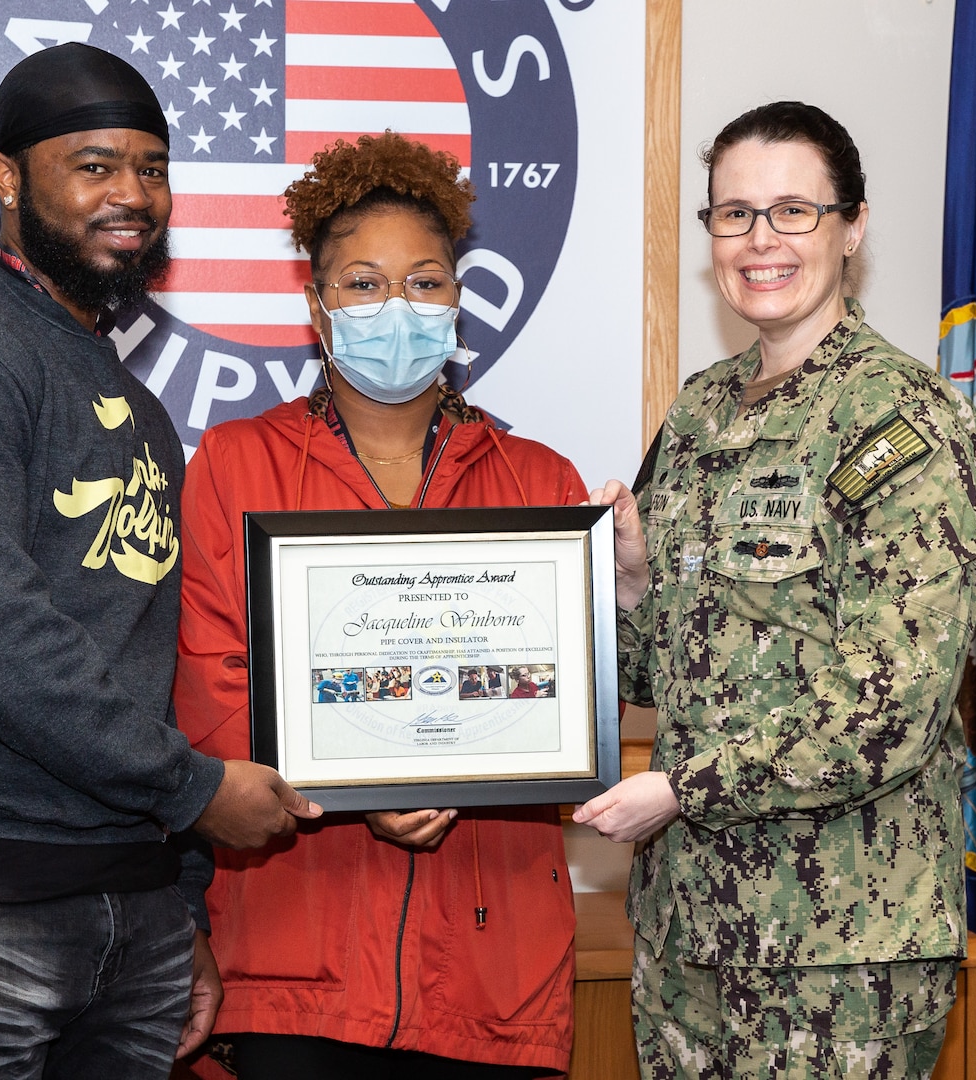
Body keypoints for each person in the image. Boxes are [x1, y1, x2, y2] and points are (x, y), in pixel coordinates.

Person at [0, 43, 319, 1080]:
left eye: (151, 167)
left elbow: (144, 658)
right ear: (7, 177)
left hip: (128, 914)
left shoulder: (131, 399)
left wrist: (180, 907)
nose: (132, 195)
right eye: (94, 165)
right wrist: (195, 791)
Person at [173, 132, 613, 1079]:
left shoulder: (540, 482)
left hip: (495, 969)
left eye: (425, 283)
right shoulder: (236, 465)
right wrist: (357, 788)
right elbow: (209, 689)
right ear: (316, 306)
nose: (397, 308)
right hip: (298, 956)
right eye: (364, 285)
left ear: (458, 301)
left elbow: (560, 706)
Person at [573, 101, 976, 1078]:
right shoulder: (701, 413)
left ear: (852, 227)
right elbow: (665, 674)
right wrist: (633, 588)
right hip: (690, 935)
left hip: (839, 952)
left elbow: (891, 708)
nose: (761, 240)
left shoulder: (904, 422)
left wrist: (683, 789)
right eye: (734, 214)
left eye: (793, 211)